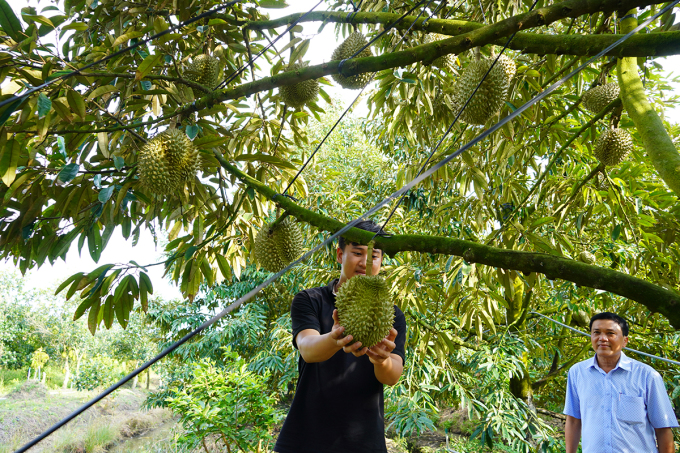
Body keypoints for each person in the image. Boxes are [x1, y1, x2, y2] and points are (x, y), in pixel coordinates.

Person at [274, 220, 407, 453]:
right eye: (357, 253)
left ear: (381, 261)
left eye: (373, 256)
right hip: (305, 440)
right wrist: (335, 339)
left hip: (364, 443)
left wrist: (381, 359)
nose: (365, 262)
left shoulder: (392, 313)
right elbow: (307, 347)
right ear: (339, 254)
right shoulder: (310, 300)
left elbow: (393, 374)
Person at [564, 311, 678, 453]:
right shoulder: (577, 372)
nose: (602, 338)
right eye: (597, 332)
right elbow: (574, 421)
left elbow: (663, 428)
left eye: (610, 333)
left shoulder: (647, 376)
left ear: (625, 341)